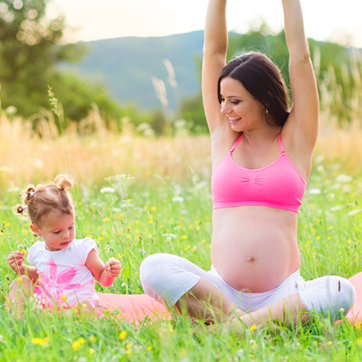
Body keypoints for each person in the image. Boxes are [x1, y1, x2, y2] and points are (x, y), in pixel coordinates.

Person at [140, 0, 356, 329]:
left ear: (265, 97)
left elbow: (300, 56)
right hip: (220, 293)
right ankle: (251, 327)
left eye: (235, 101)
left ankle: (233, 330)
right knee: (153, 268)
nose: (224, 109)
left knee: (341, 292)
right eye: (222, 99)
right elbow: (213, 53)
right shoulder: (224, 136)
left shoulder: (296, 140)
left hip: (283, 294)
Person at [7, 174, 121, 318]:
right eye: (57, 231)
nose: (66, 235)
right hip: (47, 308)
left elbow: (102, 279)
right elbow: (39, 276)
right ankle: (20, 321)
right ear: (36, 230)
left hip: (75, 309)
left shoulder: (82, 250)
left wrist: (110, 273)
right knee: (20, 282)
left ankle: (68, 321)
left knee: (86, 306)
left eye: (71, 227)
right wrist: (20, 268)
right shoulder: (37, 251)